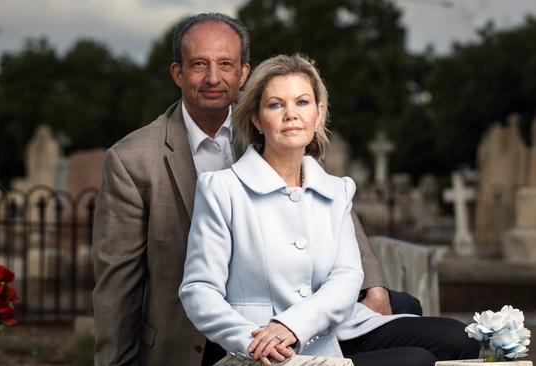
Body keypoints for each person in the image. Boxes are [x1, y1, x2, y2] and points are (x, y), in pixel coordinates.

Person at [93, 13, 419, 366]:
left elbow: (333, 205)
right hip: (193, 335)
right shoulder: (132, 160)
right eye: (199, 65)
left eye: (226, 64)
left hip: (289, 314)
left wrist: (374, 284)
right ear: (178, 73)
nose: (213, 78)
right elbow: (117, 284)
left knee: (408, 311)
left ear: (244, 73)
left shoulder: (273, 125)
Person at [178, 54, 479, 366]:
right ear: (256, 118)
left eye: (302, 102)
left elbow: (347, 276)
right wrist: (251, 340)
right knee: (414, 361)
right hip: (264, 343)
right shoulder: (222, 189)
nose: (291, 114)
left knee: (460, 339)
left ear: (318, 113)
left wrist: (294, 325)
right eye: (276, 104)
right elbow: (199, 290)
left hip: (334, 329)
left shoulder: (336, 190)